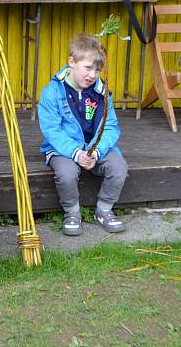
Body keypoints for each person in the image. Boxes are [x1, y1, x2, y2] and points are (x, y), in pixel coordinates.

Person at [37, 33, 129, 236]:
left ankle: (104, 210)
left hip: (95, 148)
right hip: (64, 149)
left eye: (98, 70)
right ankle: (72, 212)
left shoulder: (101, 92)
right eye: (88, 68)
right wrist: (76, 153)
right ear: (72, 61)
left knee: (119, 167)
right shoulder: (52, 92)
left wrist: (96, 152)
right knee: (66, 173)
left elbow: (111, 126)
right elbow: (52, 130)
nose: (93, 75)